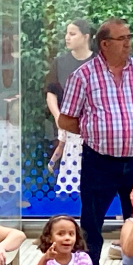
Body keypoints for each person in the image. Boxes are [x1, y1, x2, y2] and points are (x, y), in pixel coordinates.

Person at [59, 17, 133, 265]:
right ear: (105, 44)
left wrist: (128, 127)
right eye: (122, 39)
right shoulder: (83, 75)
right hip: (100, 163)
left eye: (129, 37)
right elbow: (65, 119)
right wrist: (98, 131)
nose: (129, 43)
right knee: (92, 226)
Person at [46, 19, 95, 195]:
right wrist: (59, 118)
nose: (67, 38)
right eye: (66, 33)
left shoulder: (97, 62)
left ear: (86, 36)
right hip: (66, 126)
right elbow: (51, 92)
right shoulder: (60, 62)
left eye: (72, 34)